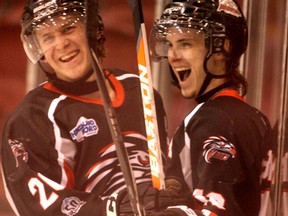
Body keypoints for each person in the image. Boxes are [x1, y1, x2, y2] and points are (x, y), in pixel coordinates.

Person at [0, 0, 184, 215]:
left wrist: (173, 186)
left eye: (68, 28)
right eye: (47, 37)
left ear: (94, 30)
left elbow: (164, 164)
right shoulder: (33, 117)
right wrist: (113, 208)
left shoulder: (139, 89)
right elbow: (38, 206)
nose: (61, 44)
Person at [147, 0, 274, 215]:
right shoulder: (248, 117)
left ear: (221, 48)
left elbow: (218, 210)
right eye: (169, 45)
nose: (172, 56)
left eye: (185, 43)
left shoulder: (217, 120)